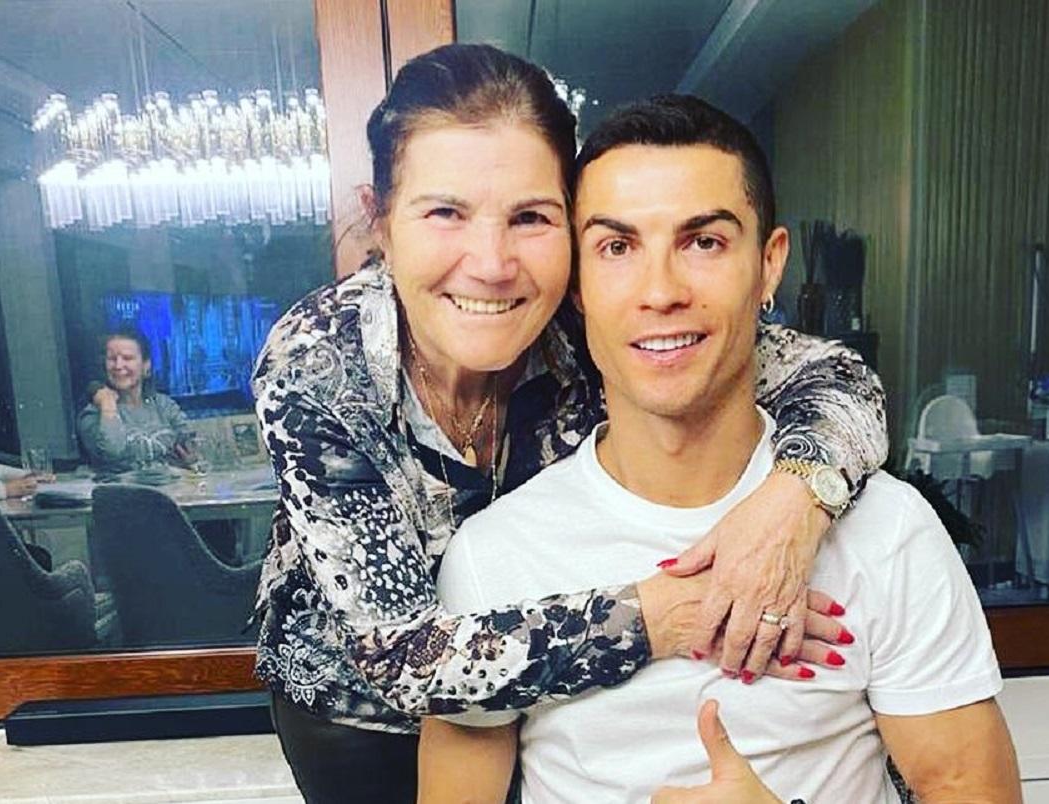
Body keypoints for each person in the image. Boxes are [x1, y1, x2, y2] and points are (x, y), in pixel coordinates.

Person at [252, 45, 888, 803]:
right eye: (445, 213)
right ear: (381, 221)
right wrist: (670, 615)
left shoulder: (594, 317)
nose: (492, 264)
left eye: (531, 218)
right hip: (367, 716)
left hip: (559, 696)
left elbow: (840, 379)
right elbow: (405, 659)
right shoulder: (320, 362)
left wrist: (793, 503)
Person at [421, 95, 1021, 804]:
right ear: (577, 283)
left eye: (703, 242)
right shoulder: (495, 556)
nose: (661, 292)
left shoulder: (888, 530)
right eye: (617, 248)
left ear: (769, 266)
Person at [77, 327, 197, 476]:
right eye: (112, 359)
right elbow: (112, 450)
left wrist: (190, 458)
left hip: (173, 487)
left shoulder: (164, 405)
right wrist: (107, 404)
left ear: (146, 365)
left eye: (127, 358)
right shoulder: (93, 414)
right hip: (120, 490)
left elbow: (189, 446)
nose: (118, 366)